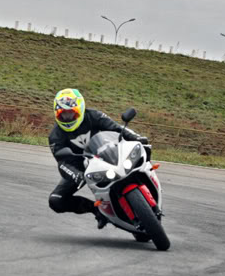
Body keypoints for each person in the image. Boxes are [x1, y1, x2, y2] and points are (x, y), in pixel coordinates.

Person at [48, 88, 149, 229]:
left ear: (80, 108)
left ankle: (147, 182)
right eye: (63, 114)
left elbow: (116, 128)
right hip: (81, 168)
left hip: (107, 153)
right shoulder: (55, 136)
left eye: (71, 112)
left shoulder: (93, 115)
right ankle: (98, 211)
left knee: (142, 152)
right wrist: (76, 174)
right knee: (56, 201)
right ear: (56, 114)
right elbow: (63, 162)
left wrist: (136, 137)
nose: (68, 117)